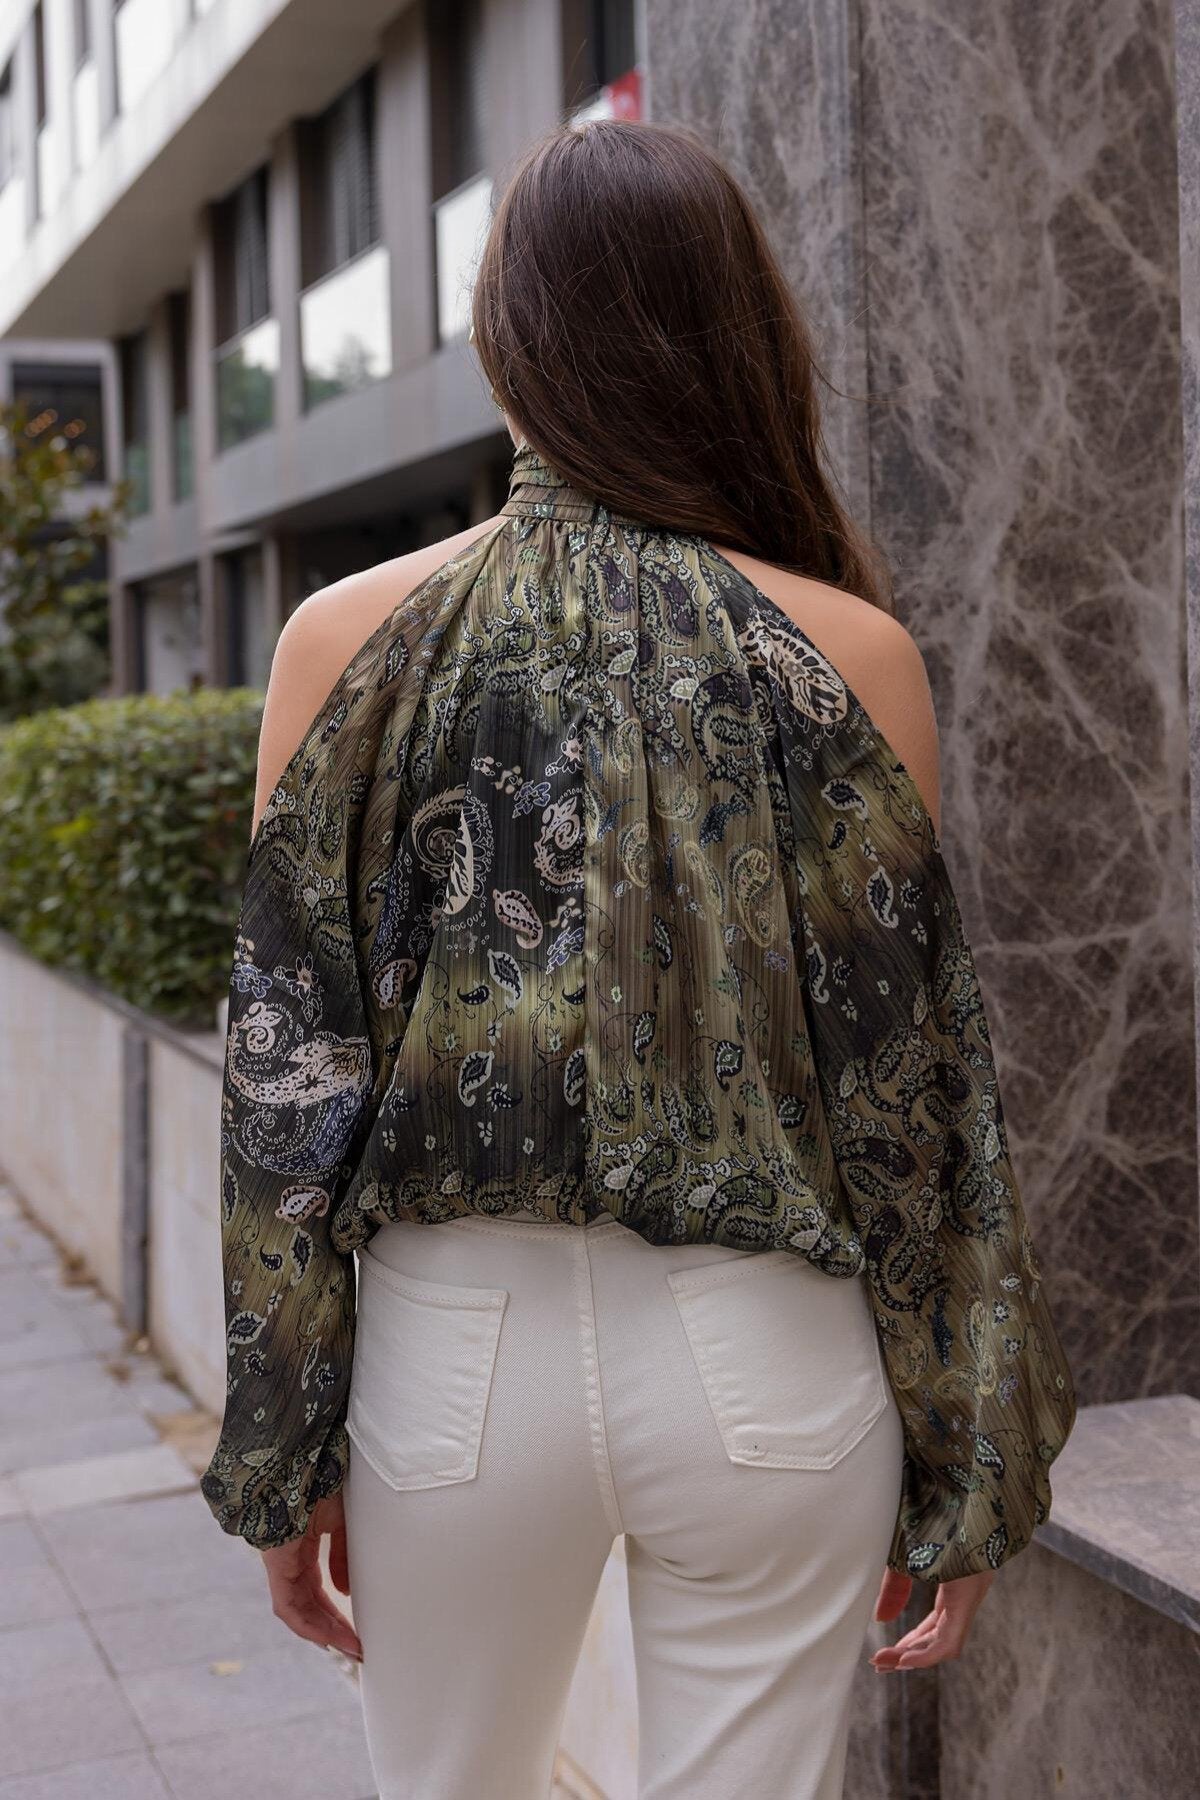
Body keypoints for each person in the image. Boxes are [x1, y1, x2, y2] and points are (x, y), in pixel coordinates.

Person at [201, 118, 1077, 1800]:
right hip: (772, 1360)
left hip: (454, 1369)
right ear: (736, 334)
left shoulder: (344, 638)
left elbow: (286, 1086)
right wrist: (969, 1455)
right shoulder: (852, 648)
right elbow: (913, 1101)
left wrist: (282, 1447)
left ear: (504, 339)